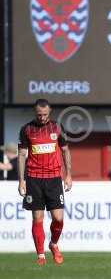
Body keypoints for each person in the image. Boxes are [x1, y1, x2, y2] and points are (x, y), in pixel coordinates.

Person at [17, 99, 72, 266]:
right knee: (37, 218)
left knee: (58, 218)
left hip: (54, 178)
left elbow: (65, 150)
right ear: (35, 113)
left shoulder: (57, 128)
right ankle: (40, 254)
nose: (42, 118)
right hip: (34, 178)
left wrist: (68, 175)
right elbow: (21, 155)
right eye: (39, 115)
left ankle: (53, 244)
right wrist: (21, 181)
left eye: (45, 115)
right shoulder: (26, 129)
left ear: (50, 112)